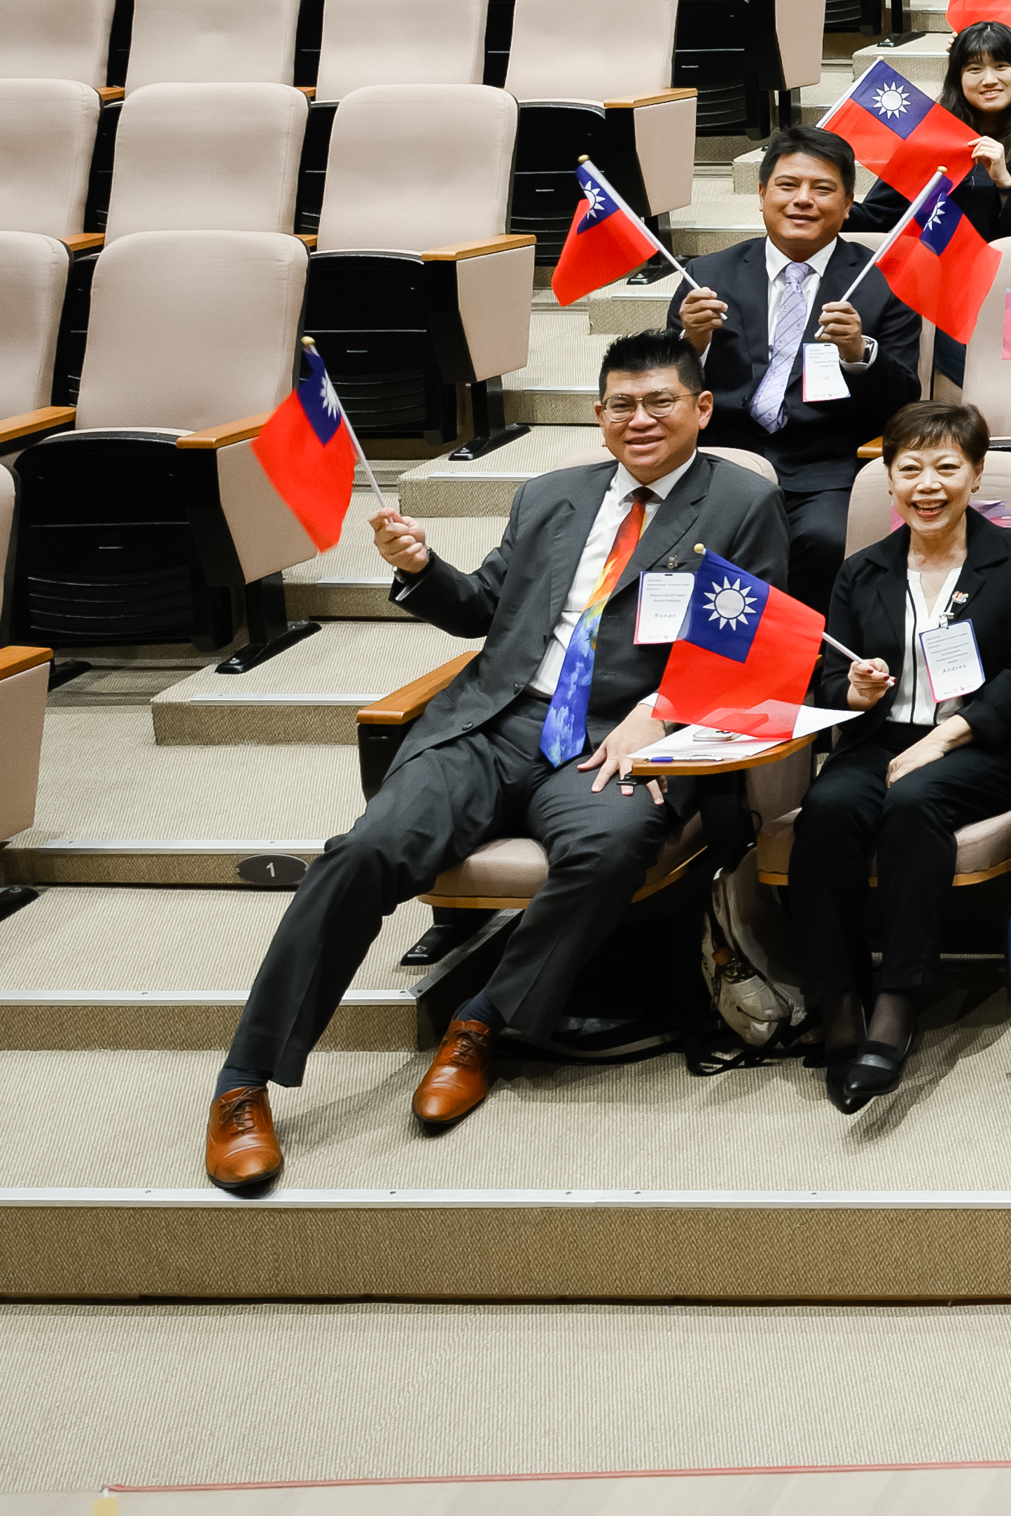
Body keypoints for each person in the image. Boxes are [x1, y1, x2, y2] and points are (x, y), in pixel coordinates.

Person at [204, 334, 788, 1197]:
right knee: (364, 851)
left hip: (612, 738)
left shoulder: (743, 499)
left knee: (610, 846)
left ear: (701, 408)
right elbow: (482, 607)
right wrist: (422, 568)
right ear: (597, 416)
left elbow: (752, 640)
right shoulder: (549, 495)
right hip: (495, 721)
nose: (639, 420)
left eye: (660, 401)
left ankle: (483, 1022)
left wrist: (662, 712)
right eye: (620, 405)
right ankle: (244, 1080)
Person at [787, 400, 1011, 1112]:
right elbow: (824, 680)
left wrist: (944, 737)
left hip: (979, 744)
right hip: (881, 736)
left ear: (975, 473)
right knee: (827, 806)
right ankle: (838, 999)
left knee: (915, 801)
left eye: (946, 466)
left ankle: (898, 1003)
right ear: (889, 480)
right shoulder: (861, 570)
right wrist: (852, 687)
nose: (927, 483)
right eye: (909, 468)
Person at [668, 127, 925, 594]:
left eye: (822, 188)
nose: (802, 200)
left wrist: (859, 355)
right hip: (722, 460)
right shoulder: (705, 275)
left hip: (823, 468)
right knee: (689, 545)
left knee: (825, 541)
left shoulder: (884, 283)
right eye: (788, 186)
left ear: (848, 204)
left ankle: (804, 660)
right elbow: (666, 389)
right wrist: (692, 340)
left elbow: (903, 403)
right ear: (762, 193)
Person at [855, 22, 1011, 246]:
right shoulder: (929, 141)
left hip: (1010, 272)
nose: (989, 80)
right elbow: (875, 217)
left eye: (1001, 66)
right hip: (931, 270)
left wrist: (1005, 183)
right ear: (957, 80)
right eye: (974, 69)